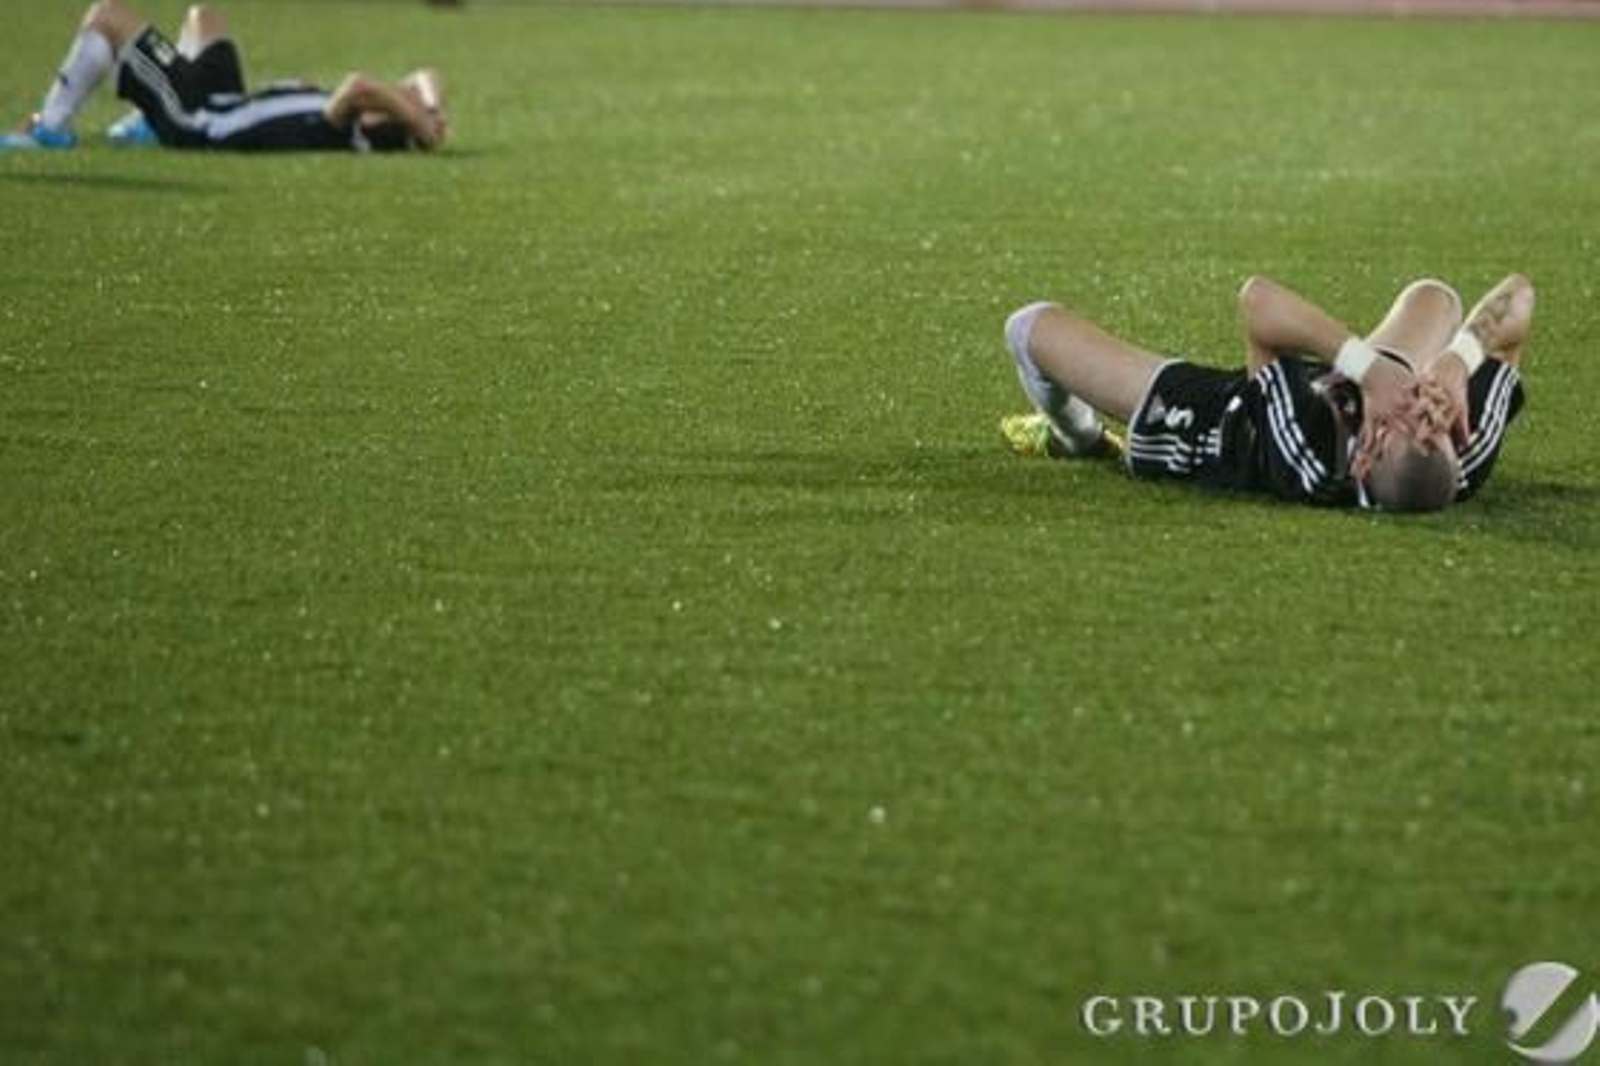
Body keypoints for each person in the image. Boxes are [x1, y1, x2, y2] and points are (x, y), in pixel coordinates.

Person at [998, 273, 1533, 512]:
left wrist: (1369, 371)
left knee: (1028, 328)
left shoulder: (1307, 458)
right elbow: (1519, 296)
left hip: (1219, 418)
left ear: (1366, 454)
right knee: (1435, 298)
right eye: (1433, 417)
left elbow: (1259, 306)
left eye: (1410, 410)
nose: (1424, 403)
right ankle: (1376, 370)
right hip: (1336, 391)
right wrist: (1456, 365)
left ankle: (1080, 440)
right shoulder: (1463, 447)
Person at [1, 0, 447, 152]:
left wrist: (419, 121)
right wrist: (429, 109)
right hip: (226, 100)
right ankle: (146, 128)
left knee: (108, 16)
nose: (402, 91)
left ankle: (50, 129)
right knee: (204, 18)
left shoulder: (341, 129)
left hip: (199, 117)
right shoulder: (362, 118)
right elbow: (428, 73)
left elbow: (361, 86)